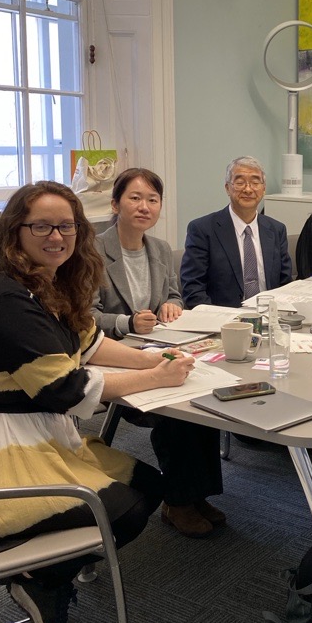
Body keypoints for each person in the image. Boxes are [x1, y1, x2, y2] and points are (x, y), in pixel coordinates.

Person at [0, 181, 195, 623]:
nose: (56, 236)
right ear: (15, 232)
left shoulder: (52, 283)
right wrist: (157, 379)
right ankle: (39, 578)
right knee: (125, 510)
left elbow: (92, 344)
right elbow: (64, 390)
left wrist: (154, 360)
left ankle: (46, 571)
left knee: (150, 487)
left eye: (66, 225)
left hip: (40, 431)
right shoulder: (4, 297)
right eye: (42, 226)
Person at [92, 168, 225, 539]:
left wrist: (170, 305)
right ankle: (177, 502)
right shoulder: (92, 251)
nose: (144, 206)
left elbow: (175, 294)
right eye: (134, 198)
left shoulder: (161, 249)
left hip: (158, 347)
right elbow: (84, 316)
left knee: (202, 394)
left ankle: (198, 494)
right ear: (116, 203)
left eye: (153, 199)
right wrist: (126, 323)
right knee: (179, 411)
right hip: (113, 356)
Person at [180, 156, 292, 308]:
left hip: (269, 318)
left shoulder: (276, 230)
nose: (248, 189)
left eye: (255, 182)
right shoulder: (202, 230)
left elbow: (285, 285)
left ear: (263, 188)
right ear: (227, 188)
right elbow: (193, 290)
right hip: (223, 322)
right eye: (240, 182)